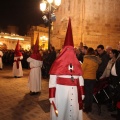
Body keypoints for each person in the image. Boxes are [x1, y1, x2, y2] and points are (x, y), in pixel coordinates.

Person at [49, 18, 85, 120]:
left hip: (75, 90)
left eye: (71, 50)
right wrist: (51, 95)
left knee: (73, 112)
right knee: (61, 111)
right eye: (67, 50)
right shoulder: (57, 63)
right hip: (61, 92)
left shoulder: (77, 64)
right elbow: (52, 81)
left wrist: (82, 92)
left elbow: (80, 79)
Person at [81, 47, 101, 113]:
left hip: (87, 78)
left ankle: (87, 108)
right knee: (91, 93)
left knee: (87, 94)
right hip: (93, 78)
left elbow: (82, 69)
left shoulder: (86, 59)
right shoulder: (96, 60)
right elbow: (96, 69)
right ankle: (90, 107)